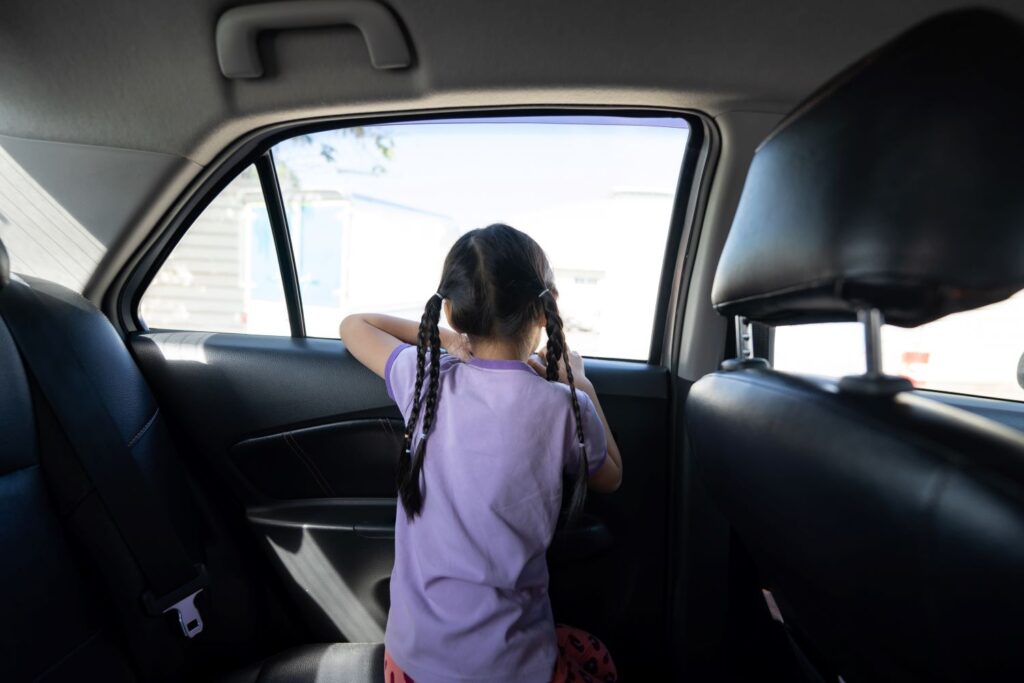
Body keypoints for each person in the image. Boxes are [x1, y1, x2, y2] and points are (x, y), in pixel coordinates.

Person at [340, 223, 623, 683]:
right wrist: (581, 379)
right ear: (543, 310)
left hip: (411, 663)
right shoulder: (563, 407)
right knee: (598, 658)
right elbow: (611, 474)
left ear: (451, 311)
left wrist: (447, 341)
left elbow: (354, 326)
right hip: (513, 669)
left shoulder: (428, 379)